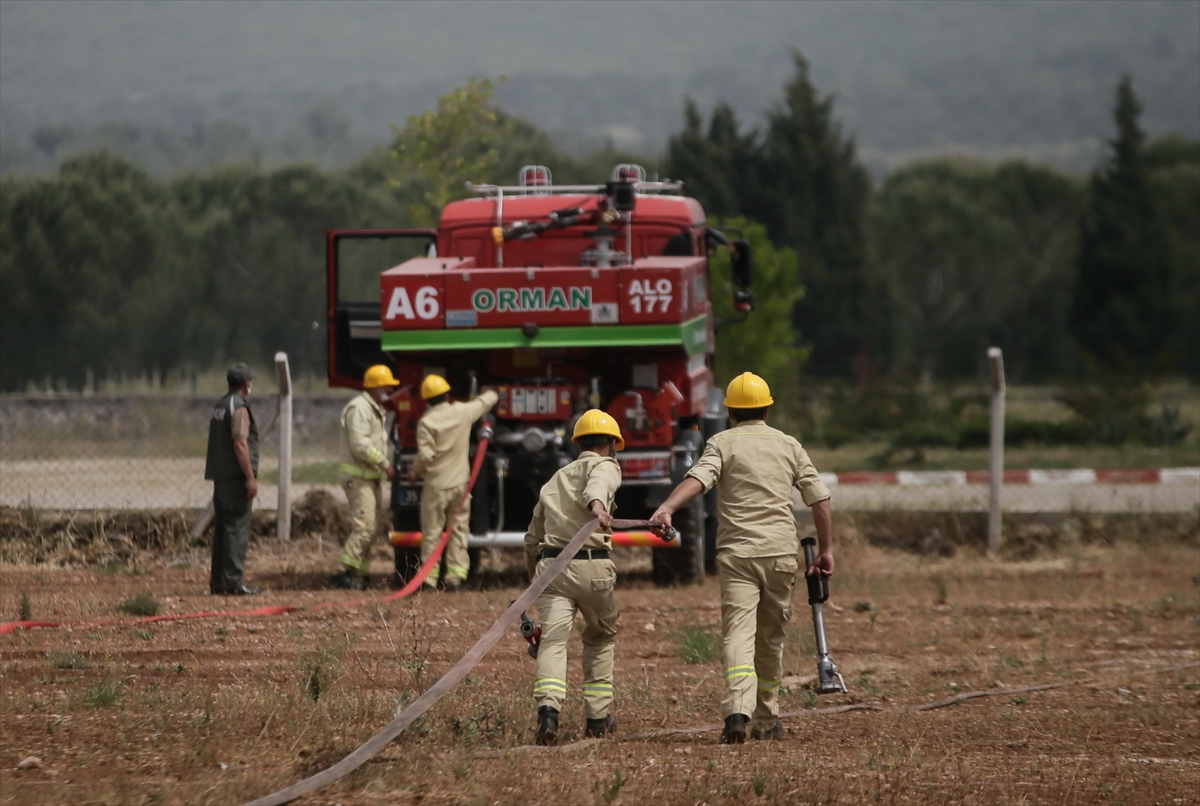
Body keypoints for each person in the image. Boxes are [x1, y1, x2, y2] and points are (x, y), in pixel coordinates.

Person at [650, 372, 834, 744]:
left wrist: (667, 507)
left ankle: (737, 712)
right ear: (767, 408)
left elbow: (699, 479)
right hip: (780, 555)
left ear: (730, 411)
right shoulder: (788, 444)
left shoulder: (722, 442)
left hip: (737, 556)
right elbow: (820, 499)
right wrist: (826, 549)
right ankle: (767, 721)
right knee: (770, 640)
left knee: (738, 634)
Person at [523, 410, 625, 745]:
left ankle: (548, 714)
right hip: (592, 566)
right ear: (611, 443)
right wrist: (597, 506)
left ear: (577, 443)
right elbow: (599, 484)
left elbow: (532, 539)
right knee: (598, 637)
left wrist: (533, 581)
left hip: (551, 570)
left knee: (552, 642)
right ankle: (597, 719)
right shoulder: (605, 465)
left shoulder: (555, 479)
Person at [409, 375, 499, 591]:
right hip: (460, 486)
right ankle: (456, 579)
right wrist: (490, 391)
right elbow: (485, 401)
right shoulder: (462, 412)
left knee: (432, 533)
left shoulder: (427, 423)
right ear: (447, 395)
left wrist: (414, 473)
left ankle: (429, 579)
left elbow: (426, 456)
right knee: (458, 531)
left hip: (436, 487)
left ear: (426, 401)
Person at [330, 364, 400, 590]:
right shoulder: (360, 408)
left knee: (372, 526)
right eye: (387, 385)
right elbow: (360, 445)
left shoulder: (372, 408)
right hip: (359, 477)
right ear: (378, 387)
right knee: (365, 526)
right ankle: (342, 572)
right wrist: (385, 464)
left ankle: (360, 577)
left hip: (369, 477)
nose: (390, 389)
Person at [203, 362, 261, 596]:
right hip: (235, 477)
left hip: (220, 476)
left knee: (223, 530)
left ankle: (219, 581)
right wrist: (250, 477)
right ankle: (234, 582)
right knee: (236, 529)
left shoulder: (220, 404)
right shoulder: (238, 407)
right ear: (246, 384)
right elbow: (240, 443)